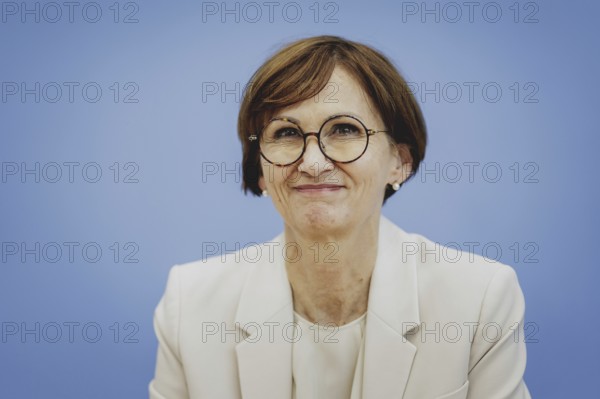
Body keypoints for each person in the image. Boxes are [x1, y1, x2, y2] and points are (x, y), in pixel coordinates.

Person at [149, 35, 532, 399]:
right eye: (285, 134)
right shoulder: (191, 304)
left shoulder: (479, 299)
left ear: (399, 162)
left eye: (344, 129)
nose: (313, 163)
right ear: (261, 170)